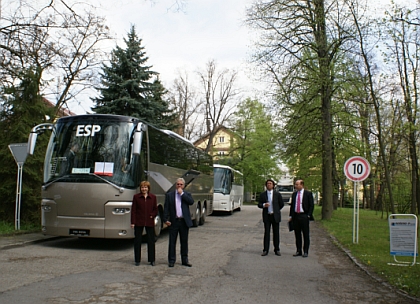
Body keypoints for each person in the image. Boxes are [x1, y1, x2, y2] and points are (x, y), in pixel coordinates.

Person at [164, 177, 194, 267]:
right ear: (175, 185)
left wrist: (182, 194)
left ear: (184, 186)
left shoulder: (187, 194)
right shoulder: (170, 195)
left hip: (184, 221)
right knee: (172, 242)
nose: (179, 186)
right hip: (174, 221)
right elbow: (166, 208)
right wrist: (165, 219)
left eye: (181, 184)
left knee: (184, 242)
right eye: (178, 184)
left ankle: (184, 260)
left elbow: (191, 202)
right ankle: (171, 260)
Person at [131, 181, 158, 266]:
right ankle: (137, 260)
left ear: (148, 188)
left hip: (149, 222)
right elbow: (134, 210)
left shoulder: (153, 197)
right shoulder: (136, 197)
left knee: (151, 241)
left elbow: (155, 209)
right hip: (139, 222)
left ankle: (152, 260)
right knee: (137, 241)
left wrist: (152, 215)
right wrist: (133, 222)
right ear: (140, 188)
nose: (144, 189)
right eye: (142, 187)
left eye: (145, 187)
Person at [258, 178, 284, 256]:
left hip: (275, 216)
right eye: (267, 184)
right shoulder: (263, 194)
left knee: (276, 233)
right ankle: (265, 250)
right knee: (267, 233)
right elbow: (259, 204)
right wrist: (263, 205)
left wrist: (276, 210)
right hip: (267, 216)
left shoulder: (277, 194)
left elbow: (281, 204)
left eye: (270, 183)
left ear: (273, 185)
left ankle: (277, 249)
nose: (269, 185)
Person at [288, 179, 314, 258]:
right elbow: (292, 206)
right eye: (295, 184)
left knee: (305, 234)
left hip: (304, 215)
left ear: (302, 185)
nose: (295, 186)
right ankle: (298, 250)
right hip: (296, 216)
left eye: (297, 184)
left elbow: (311, 205)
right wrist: (291, 216)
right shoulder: (294, 194)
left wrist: (309, 215)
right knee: (297, 234)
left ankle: (305, 251)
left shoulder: (308, 194)